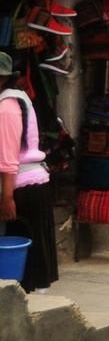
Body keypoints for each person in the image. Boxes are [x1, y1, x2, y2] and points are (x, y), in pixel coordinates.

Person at [0, 55, 58, 289]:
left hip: (20, 188)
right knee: (33, 257)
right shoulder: (18, 99)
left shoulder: (6, 108)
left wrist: (6, 197)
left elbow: (8, 159)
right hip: (31, 184)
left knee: (25, 261)